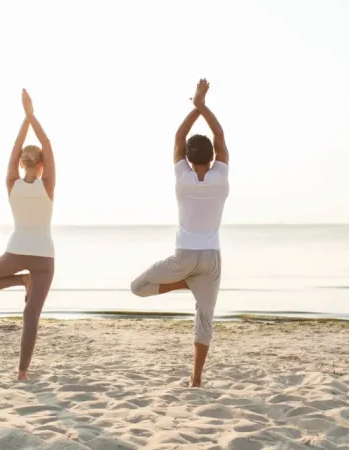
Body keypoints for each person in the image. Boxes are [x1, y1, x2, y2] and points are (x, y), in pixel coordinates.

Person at [130, 79, 229, 388]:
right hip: (211, 259)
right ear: (212, 158)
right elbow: (220, 135)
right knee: (205, 319)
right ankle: (195, 379)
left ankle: (184, 283)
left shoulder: (182, 179)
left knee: (138, 287)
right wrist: (202, 105)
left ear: (188, 158)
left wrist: (193, 107)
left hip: (184, 257)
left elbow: (178, 137)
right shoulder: (220, 178)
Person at [0, 89, 56, 381]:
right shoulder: (48, 184)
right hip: (44, 256)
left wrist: (25, 118)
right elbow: (46, 143)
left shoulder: (11, 183)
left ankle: (20, 280)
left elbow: (17, 148)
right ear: (42, 165)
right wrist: (33, 117)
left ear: (22, 164)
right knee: (31, 316)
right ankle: (22, 372)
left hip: (17, 251)